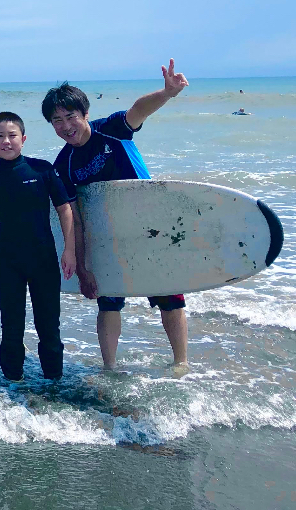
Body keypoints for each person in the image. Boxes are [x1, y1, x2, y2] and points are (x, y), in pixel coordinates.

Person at [43, 59, 190, 371]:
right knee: (107, 301)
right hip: (109, 237)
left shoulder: (110, 130)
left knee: (170, 296)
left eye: (70, 116)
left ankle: (181, 364)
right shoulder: (63, 165)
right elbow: (76, 219)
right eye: (57, 121)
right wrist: (82, 269)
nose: (65, 125)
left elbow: (137, 111)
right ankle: (109, 367)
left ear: (85, 114)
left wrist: (166, 94)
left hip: (150, 228)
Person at [0, 112, 76, 381]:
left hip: (44, 260)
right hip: (8, 263)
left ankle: (53, 384)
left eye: (12, 135)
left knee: (49, 327)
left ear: (23, 139)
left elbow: (65, 210)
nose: (6, 141)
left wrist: (69, 250)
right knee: (11, 328)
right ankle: (13, 386)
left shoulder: (42, 169)